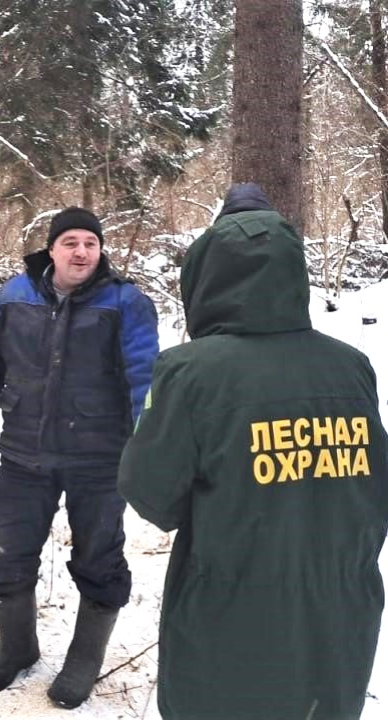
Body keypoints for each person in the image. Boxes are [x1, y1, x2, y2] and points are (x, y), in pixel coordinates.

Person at [118, 183, 388, 719]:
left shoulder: (190, 372)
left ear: (205, 276)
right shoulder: (351, 366)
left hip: (233, 611)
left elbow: (151, 494)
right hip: (340, 610)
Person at [0, 207, 159, 707]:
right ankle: (17, 648)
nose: (81, 251)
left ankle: (84, 659)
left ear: (100, 249)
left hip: (101, 457)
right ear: (51, 250)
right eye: (70, 242)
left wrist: (148, 444)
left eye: (90, 242)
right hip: (25, 451)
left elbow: (144, 378)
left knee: (99, 557)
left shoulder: (126, 302)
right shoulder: (14, 295)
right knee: (4, 552)